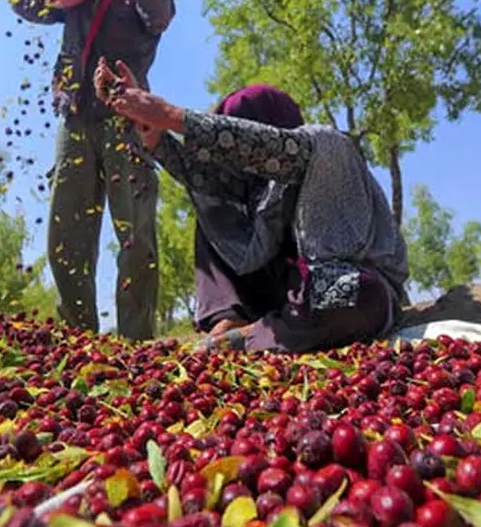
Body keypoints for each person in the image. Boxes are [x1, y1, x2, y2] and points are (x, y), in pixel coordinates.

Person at [94, 60, 410, 353]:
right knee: (213, 206)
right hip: (282, 298)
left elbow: (264, 147)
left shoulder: (322, 146)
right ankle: (232, 320)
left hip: (344, 285)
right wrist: (152, 129)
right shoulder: (252, 189)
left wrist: (172, 116)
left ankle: (252, 338)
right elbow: (198, 172)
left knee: (357, 295)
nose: (235, 166)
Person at [9, 0, 175, 341]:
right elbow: (32, 5)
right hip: (77, 118)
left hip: (127, 121)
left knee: (135, 234)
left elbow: (159, 12)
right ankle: (79, 342)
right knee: (67, 234)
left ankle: (137, 344)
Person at [190, 87, 304, 337]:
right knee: (212, 211)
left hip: (307, 295)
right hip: (253, 301)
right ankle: (229, 314)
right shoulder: (232, 188)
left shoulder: (310, 166)